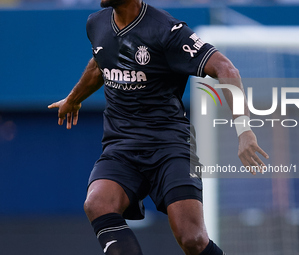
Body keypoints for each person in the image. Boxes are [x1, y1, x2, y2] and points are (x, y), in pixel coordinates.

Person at [48, 0, 269, 254]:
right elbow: (100, 63)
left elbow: (225, 68)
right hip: (121, 146)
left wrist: (244, 129)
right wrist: (74, 99)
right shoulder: (96, 23)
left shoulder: (167, 30)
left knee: (192, 239)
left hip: (170, 146)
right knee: (97, 202)